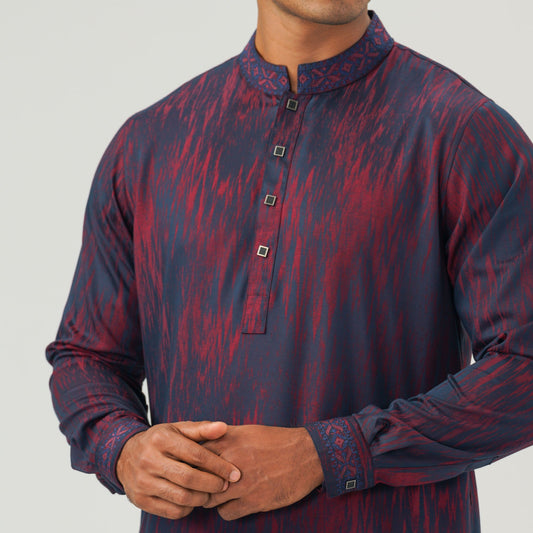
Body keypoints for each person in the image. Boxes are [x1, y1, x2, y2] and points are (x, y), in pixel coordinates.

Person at [45, 1, 533, 532]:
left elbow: (525, 364)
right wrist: (123, 448)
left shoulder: (462, 132)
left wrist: (329, 453)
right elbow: (88, 355)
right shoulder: (150, 143)